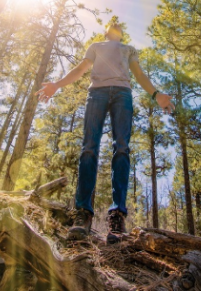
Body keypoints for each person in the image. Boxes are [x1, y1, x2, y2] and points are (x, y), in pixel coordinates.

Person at [37, 23, 174, 244]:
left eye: (119, 26)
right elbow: (81, 69)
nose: (116, 26)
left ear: (122, 33)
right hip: (97, 94)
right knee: (89, 148)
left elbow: (138, 74)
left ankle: (117, 215)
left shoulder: (129, 49)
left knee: (121, 148)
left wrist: (156, 94)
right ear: (107, 32)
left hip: (123, 94)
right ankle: (82, 215)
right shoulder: (96, 46)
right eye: (112, 25)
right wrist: (57, 85)